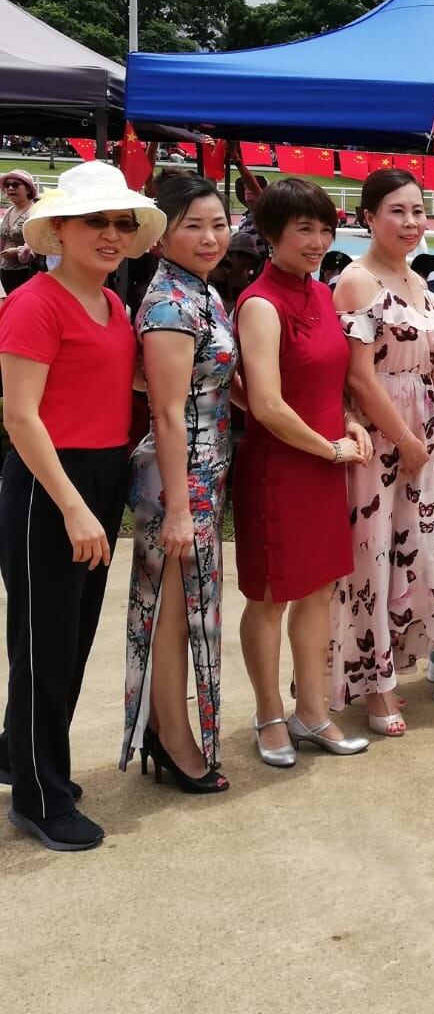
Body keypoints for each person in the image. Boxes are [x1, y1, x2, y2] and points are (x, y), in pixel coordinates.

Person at [0, 161, 164, 850]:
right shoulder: (35, 302)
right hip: (49, 484)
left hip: (95, 479)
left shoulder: (111, 301)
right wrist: (70, 504)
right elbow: (19, 415)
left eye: (122, 223)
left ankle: (21, 757)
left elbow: (124, 374)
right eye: (96, 220)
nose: (112, 233)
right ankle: (38, 796)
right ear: (58, 229)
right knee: (45, 645)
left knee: (66, 639)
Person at [234, 178, 374, 767]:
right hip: (281, 468)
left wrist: (348, 420)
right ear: (271, 235)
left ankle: (312, 711)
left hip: (323, 459)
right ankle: (269, 714)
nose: (317, 241)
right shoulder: (261, 303)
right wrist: (329, 447)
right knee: (270, 597)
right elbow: (264, 402)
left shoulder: (321, 293)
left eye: (324, 228)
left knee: (319, 591)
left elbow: (322, 376)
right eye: (303, 230)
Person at [120, 174, 235, 792]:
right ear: (162, 234)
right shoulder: (169, 303)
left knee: (187, 610)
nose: (211, 236)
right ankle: (170, 738)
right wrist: (177, 510)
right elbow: (165, 411)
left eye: (218, 223)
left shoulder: (202, 293)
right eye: (193, 225)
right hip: (178, 478)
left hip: (201, 473)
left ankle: (165, 731)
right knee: (172, 613)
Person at [330, 170, 434, 735]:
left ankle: (392, 667)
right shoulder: (356, 282)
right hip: (379, 438)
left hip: (420, 429)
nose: (411, 222)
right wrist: (404, 440)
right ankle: (372, 685)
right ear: (368, 216)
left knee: (409, 553)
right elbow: (358, 377)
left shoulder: (420, 284)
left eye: (418, 211)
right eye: (397, 211)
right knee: (369, 558)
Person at [0, 169, 39, 294]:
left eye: (15, 185)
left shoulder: (34, 212)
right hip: (5, 270)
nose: (10, 188)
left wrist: (17, 252)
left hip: (25, 273)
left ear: (28, 189)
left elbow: (37, 244)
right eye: (7, 185)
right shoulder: (9, 210)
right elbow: (3, 238)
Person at [208, 230, 263, 309]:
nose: (247, 260)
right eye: (242, 255)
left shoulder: (244, 279)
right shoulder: (214, 278)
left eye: (251, 256)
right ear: (229, 253)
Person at [234, 173, 269, 259]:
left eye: (252, 186)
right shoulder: (244, 219)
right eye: (246, 186)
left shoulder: (269, 215)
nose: (248, 188)